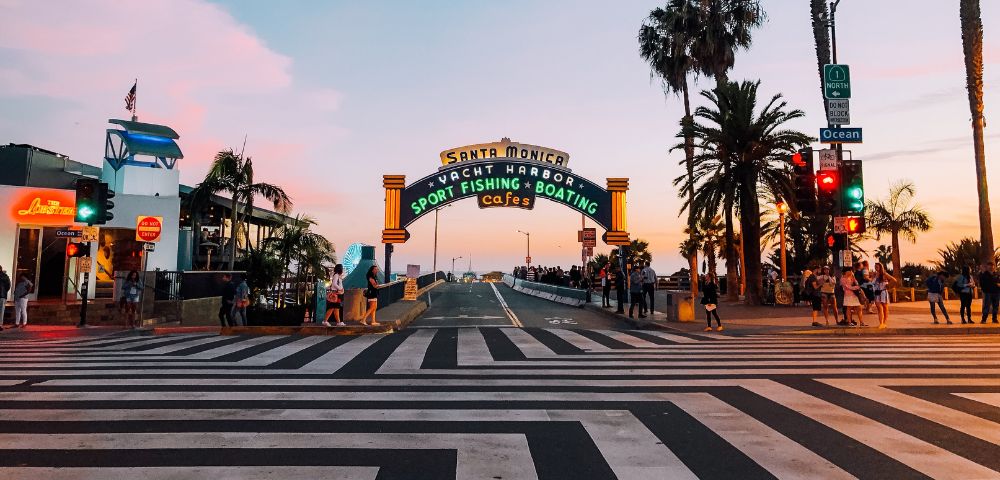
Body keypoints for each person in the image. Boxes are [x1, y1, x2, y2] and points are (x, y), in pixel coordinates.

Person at [871, 262, 897, 329]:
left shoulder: (884, 274)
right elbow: (871, 283)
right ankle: (881, 323)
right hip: (877, 293)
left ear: (880, 267)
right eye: (875, 266)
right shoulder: (874, 274)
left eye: (877, 266)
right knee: (880, 308)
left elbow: (894, 280)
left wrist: (888, 286)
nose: (876, 268)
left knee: (885, 308)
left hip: (883, 292)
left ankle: (884, 323)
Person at [0, 265, 9, 330]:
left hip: (2, 295)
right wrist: (4, 291)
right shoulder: (5, 276)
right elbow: (8, 286)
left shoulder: (5, 276)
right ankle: (0, 325)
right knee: (1, 311)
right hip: (2, 295)